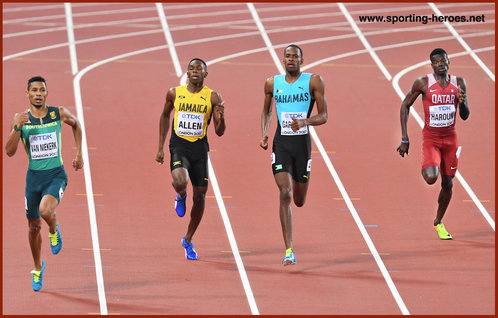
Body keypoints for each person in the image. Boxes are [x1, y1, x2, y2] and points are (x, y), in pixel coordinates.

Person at [5, 76, 83, 291]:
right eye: (34, 90)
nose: (38, 94)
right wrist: (16, 129)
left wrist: (79, 153)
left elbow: (76, 124)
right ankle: (38, 268)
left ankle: (53, 229)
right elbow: (9, 152)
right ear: (27, 94)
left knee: (45, 211)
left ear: (47, 93)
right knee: (32, 227)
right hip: (33, 179)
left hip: (56, 175)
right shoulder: (20, 118)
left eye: (42, 90)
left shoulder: (57, 113)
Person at [260, 44, 328, 265]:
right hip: (281, 145)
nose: (291, 60)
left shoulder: (313, 81)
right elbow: (266, 111)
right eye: (287, 56)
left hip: (302, 147)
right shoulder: (272, 83)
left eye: (295, 57)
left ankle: (297, 192)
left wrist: (305, 122)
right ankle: (289, 249)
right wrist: (264, 133)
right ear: (283, 60)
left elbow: (324, 115)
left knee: (298, 200)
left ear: (302, 60)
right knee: (285, 193)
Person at [156, 58, 226, 260]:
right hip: (179, 145)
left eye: (199, 69)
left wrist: (221, 117)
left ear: (205, 74)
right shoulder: (174, 93)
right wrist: (160, 147)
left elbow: (220, 132)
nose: (195, 71)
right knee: (179, 180)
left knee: (201, 197)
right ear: (187, 73)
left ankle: (187, 239)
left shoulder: (213, 97)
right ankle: (181, 194)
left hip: (199, 149)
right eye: (192, 68)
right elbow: (164, 116)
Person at [397, 48, 470, 240]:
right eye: (436, 61)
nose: (440, 64)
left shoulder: (459, 83)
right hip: (431, 138)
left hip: (450, 139)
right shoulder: (423, 83)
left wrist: (462, 103)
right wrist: (405, 139)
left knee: (448, 184)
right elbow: (405, 105)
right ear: (432, 65)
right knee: (431, 178)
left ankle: (438, 222)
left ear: (448, 62)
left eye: (443, 61)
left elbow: (465, 115)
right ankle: (429, 164)